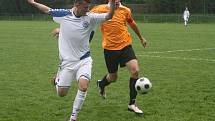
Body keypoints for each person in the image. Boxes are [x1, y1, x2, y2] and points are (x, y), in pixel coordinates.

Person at [27, 0, 115, 121]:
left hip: (84, 60)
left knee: (83, 86)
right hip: (67, 63)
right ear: (77, 5)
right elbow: (47, 10)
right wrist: (32, 2)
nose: (87, 9)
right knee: (62, 93)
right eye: (85, 7)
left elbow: (109, 15)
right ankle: (57, 79)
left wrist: (113, 3)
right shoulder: (64, 14)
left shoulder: (91, 17)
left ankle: (73, 117)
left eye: (88, 6)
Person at [91, 0, 147, 115]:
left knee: (135, 71)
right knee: (113, 77)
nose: (116, 3)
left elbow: (132, 23)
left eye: (118, 1)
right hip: (110, 49)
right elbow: (84, 18)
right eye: (114, 1)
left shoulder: (125, 10)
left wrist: (141, 38)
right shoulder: (99, 9)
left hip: (125, 45)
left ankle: (132, 104)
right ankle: (102, 83)